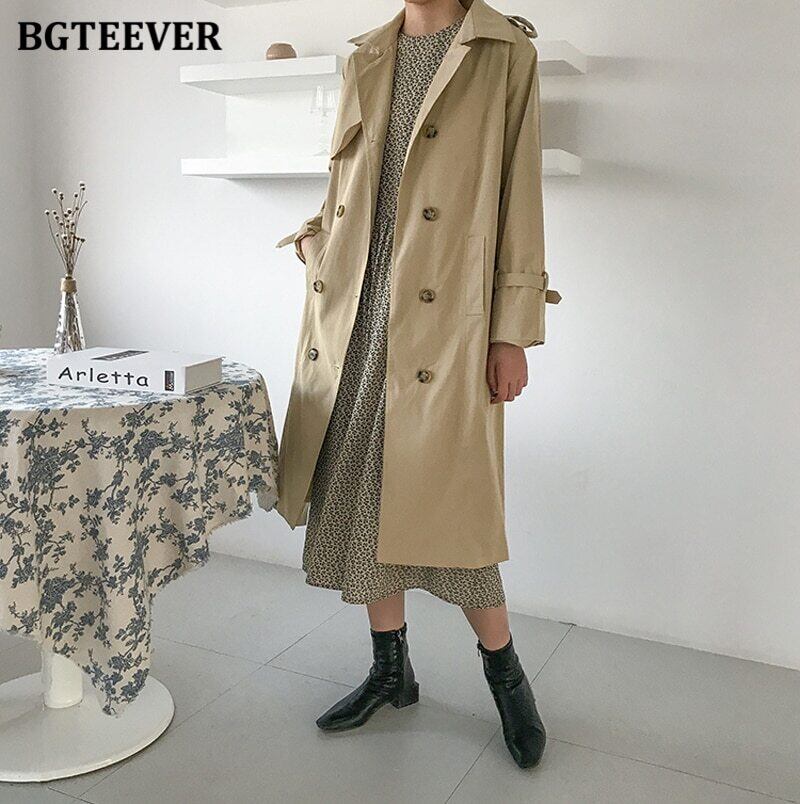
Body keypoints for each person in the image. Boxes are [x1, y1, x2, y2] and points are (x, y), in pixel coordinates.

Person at [275, 0, 560, 769]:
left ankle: (507, 678)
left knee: (453, 512)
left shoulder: (503, 52)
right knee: (363, 499)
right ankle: (390, 671)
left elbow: (520, 197)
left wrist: (511, 332)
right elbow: (347, 178)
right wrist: (314, 239)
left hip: (445, 321)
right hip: (357, 312)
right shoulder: (367, 54)